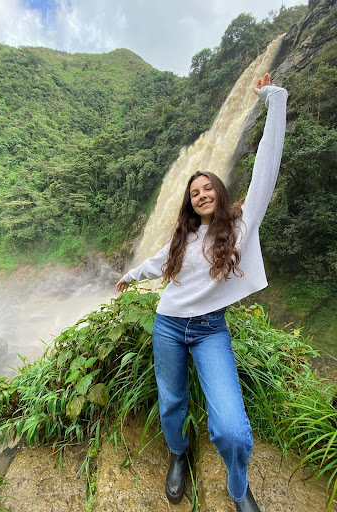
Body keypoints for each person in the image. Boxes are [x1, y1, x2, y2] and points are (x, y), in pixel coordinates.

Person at [115, 73, 287, 512]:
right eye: (194, 192)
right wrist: (131, 276)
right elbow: (156, 262)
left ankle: (237, 485)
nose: (202, 193)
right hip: (168, 325)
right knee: (172, 400)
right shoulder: (182, 238)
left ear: (219, 192)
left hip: (211, 330)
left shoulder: (242, 224)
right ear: (189, 203)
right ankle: (178, 451)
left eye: (208, 186)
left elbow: (266, 166)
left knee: (231, 426)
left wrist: (274, 99)